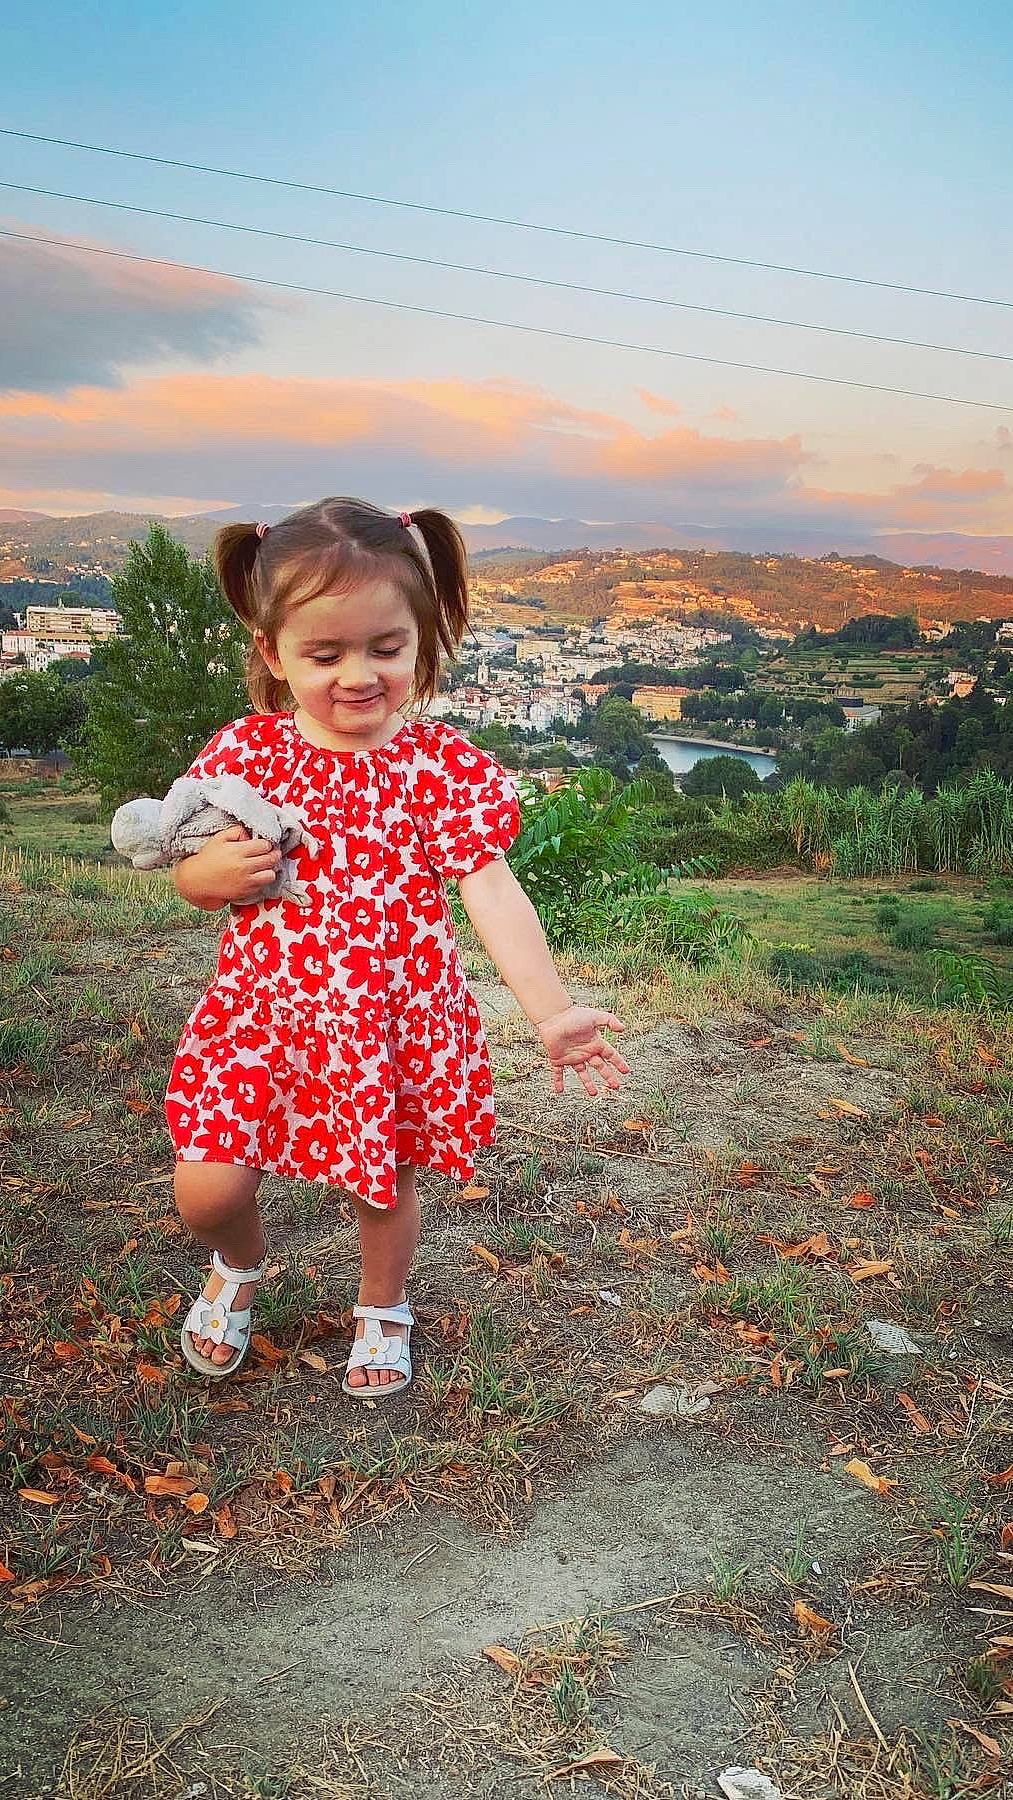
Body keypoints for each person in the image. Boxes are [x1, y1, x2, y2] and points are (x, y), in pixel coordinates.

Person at [165, 497, 631, 1396]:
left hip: (389, 1023)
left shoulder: (440, 769)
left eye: (386, 647)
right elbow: (193, 868)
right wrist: (205, 880)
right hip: (260, 1017)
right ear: (274, 654)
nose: (359, 675)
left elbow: (492, 890)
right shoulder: (244, 760)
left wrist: (553, 1010)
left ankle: (383, 1307)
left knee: (381, 1188)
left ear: (423, 641)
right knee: (207, 1191)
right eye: (325, 653)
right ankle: (239, 1265)